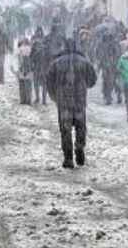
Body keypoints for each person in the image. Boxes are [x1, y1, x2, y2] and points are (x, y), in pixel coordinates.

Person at [46, 39, 97, 169]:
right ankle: (79, 147)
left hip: (63, 101)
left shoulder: (56, 63)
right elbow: (92, 79)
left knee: (65, 129)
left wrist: (54, 95)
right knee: (80, 126)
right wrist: (84, 85)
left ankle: (68, 157)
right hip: (79, 100)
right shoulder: (84, 62)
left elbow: (49, 80)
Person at [97, 33, 122, 105]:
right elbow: (118, 54)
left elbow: (98, 55)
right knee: (113, 81)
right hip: (111, 65)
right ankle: (115, 95)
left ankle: (109, 96)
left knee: (107, 81)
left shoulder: (101, 44)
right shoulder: (114, 43)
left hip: (107, 65)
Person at [11, 39, 33, 104]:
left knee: (22, 85)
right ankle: (28, 99)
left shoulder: (19, 50)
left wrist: (15, 70)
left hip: (21, 69)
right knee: (29, 85)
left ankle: (23, 99)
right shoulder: (31, 50)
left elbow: (14, 60)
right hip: (29, 69)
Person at [30, 27, 47, 104]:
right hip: (38, 67)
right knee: (37, 83)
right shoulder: (34, 46)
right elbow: (31, 57)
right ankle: (38, 97)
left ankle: (43, 98)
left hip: (43, 67)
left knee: (43, 84)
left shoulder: (45, 46)